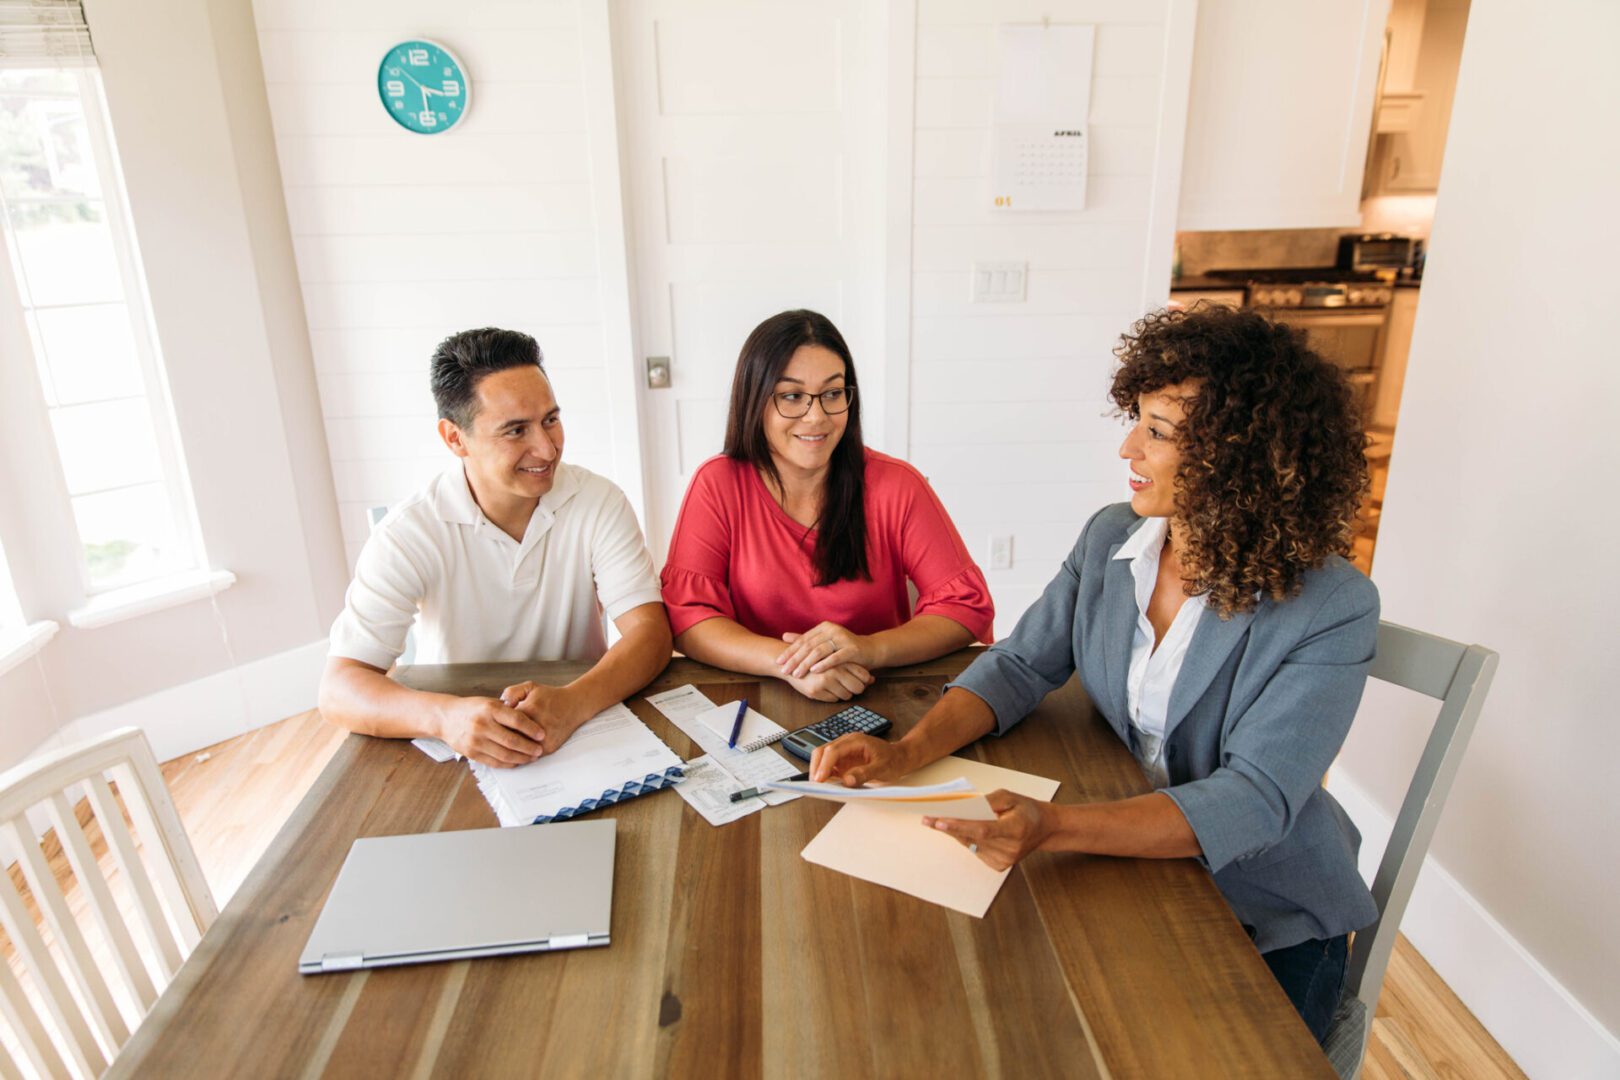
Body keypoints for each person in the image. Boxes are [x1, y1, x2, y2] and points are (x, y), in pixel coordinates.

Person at [809, 305, 1378, 1043]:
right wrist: (906, 752)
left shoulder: (1332, 605)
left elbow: (1255, 799)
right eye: (1136, 420)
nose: (1127, 447)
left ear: (1242, 457)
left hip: (1264, 909)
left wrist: (1055, 828)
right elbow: (1019, 663)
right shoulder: (1113, 536)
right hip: (1130, 867)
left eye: (1158, 432)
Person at [318, 328, 672, 767]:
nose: (547, 448)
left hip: (582, 722)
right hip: (459, 739)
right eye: (515, 430)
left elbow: (650, 634)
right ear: (455, 438)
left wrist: (573, 702)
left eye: (550, 420)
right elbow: (339, 689)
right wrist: (445, 717)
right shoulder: (408, 532)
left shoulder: (599, 501)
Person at [661, 309, 994, 701]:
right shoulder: (717, 484)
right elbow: (690, 617)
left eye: (833, 393)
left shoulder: (899, 484)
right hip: (757, 696)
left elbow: (964, 607)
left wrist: (868, 649)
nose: (816, 416)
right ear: (754, 401)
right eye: (792, 396)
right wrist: (791, 664)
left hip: (876, 694)